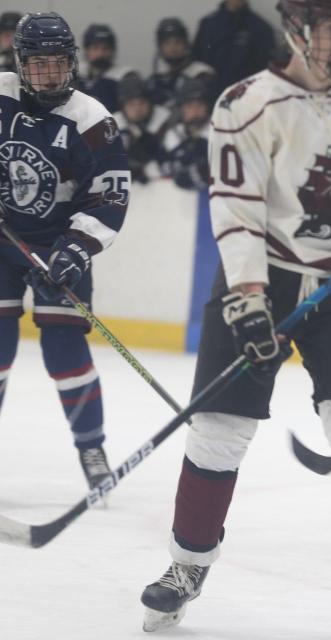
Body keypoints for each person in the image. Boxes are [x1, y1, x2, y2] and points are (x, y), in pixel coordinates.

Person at [138, 1, 331, 636]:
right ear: (298, 30)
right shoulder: (246, 103)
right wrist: (248, 297)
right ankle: (186, 566)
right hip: (264, 274)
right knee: (218, 430)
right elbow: (235, 210)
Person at [0, 13, 130, 489]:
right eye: (38, 65)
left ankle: (91, 445)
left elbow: (110, 194)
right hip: (3, 243)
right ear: (21, 63)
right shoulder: (0, 94)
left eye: (58, 64)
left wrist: (76, 248)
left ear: (71, 63)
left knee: (63, 349)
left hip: (59, 248)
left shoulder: (92, 119)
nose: (49, 75)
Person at [192, 0, 275, 102]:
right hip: (210, 100)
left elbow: (265, 72)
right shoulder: (207, 25)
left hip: (248, 99)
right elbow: (197, 64)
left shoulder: (261, 29)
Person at [114, 73, 171, 184]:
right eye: (131, 104)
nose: (137, 109)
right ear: (122, 106)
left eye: (142, 103)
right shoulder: (112, 124)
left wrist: (143, 171)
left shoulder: (165, 118)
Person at [147, 17, 216, 109]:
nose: (173, 47)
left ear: (186, 44)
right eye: (167, 43)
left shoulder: (202, 74)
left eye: (178, 42)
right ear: (160, 47)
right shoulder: (154, 81)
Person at [162, 78, 212, 191]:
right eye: (189, 106)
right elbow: (165, 167)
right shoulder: (173, 135)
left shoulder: (218, 130)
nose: (195, 111)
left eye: (199, 105)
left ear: (207, 107)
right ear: (181, 109)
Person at [76, 23, 135, 114]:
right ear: (87, 50)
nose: (100, 53)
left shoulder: (125, 76)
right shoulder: (75, 73)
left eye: (105, 48)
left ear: (112, 51)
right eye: (95, 48)